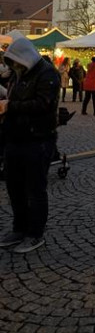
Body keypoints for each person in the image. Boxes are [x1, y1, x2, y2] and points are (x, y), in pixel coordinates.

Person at [0, 37, 60, 253]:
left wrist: (10, 106)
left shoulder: (47, 73)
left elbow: (42, 104)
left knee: (35, 189)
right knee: (14, 187)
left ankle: (35, 233)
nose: (13, 66)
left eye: (15, 61)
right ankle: (19, 227)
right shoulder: (19, 74)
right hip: (14, 138)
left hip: (38, 139)